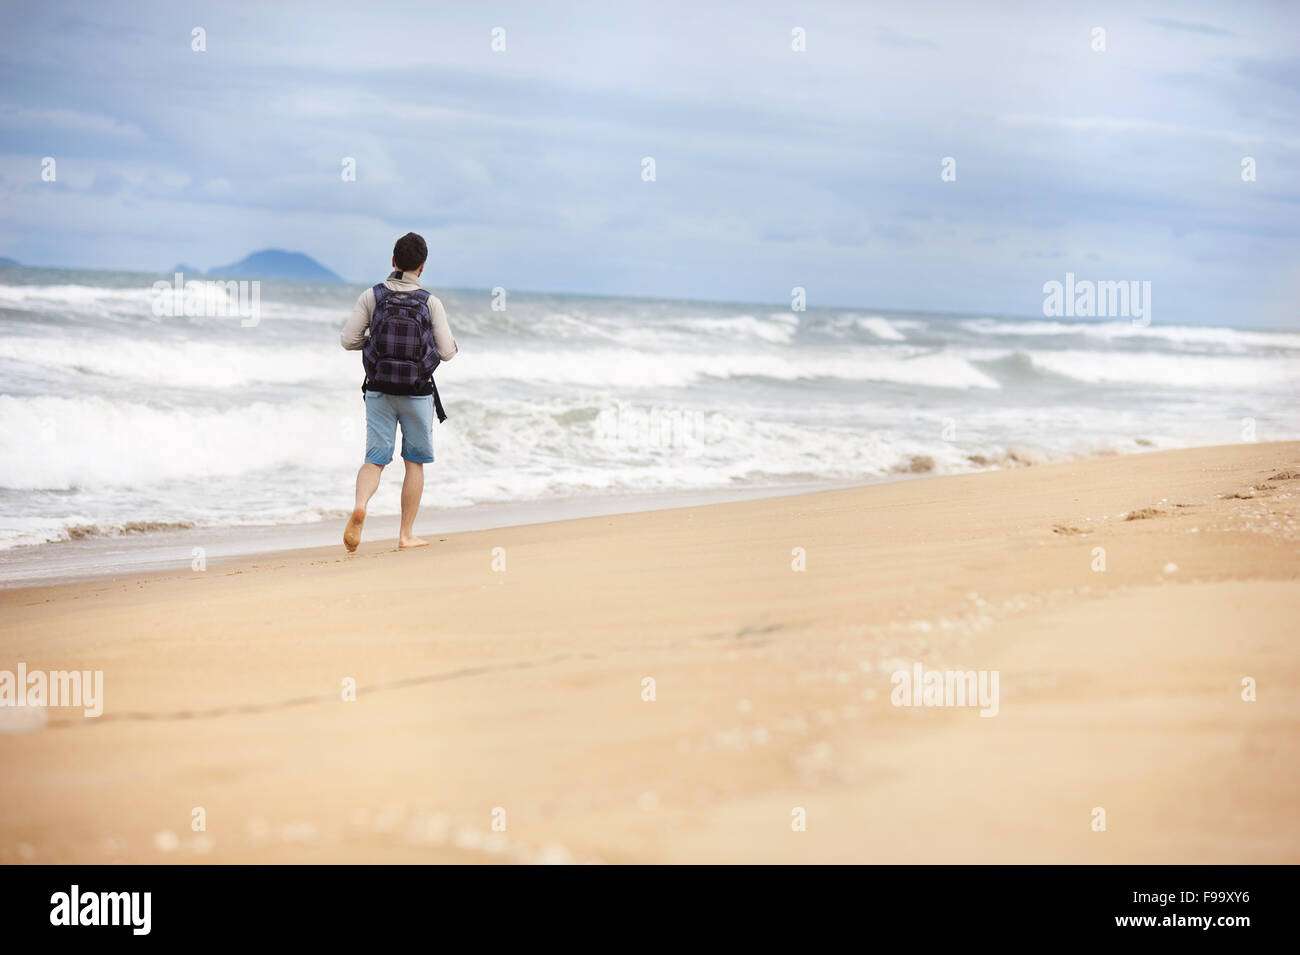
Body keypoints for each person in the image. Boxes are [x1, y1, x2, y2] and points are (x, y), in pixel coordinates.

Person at [339, 232, 457, 551]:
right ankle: (405, 535)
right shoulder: (431, 302)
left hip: (378, 388)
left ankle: (362, 505)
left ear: (393, 261)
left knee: (375, 459)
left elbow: (348, 340)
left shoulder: (372, 296)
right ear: (422, 266)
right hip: (417, 392)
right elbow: (446, 352)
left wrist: (376, 345)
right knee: (413, 462)